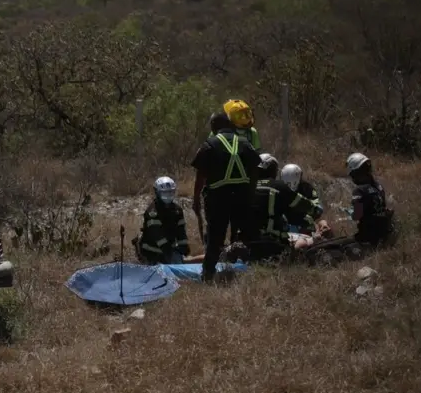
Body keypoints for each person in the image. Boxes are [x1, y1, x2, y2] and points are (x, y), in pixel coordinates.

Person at [191, 111, 261, 283]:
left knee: (215, 237)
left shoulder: (209, 144)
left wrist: (196, 199)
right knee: (244, 235)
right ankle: (248, 271)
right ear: (230, 125)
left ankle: (208, 274)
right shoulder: (245, 143)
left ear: (213, 127)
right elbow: (254, 171)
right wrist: (251, 195)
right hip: (242, 197)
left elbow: (201, 176)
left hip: (218, 198)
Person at [248, 173, 319, 260]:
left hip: (247, 239)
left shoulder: (247, 185)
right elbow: (305, 205)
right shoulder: (279, 186)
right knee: (305, 243)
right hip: (271, 240)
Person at [133, 176, 190, 265]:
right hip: (151, 252)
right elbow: (157, 235)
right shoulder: (153, 212)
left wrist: (184, 246)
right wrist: (168, 251)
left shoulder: (177, 210)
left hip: (169, 250)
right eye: (165, 193)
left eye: (171, 193)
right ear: (157, 193)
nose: (168, 196)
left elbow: (181, 230)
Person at [280, 163, 329, 237]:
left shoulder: (306, 188)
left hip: (304, 223)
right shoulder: (279, 189)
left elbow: (317, 208)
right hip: (286, 226)